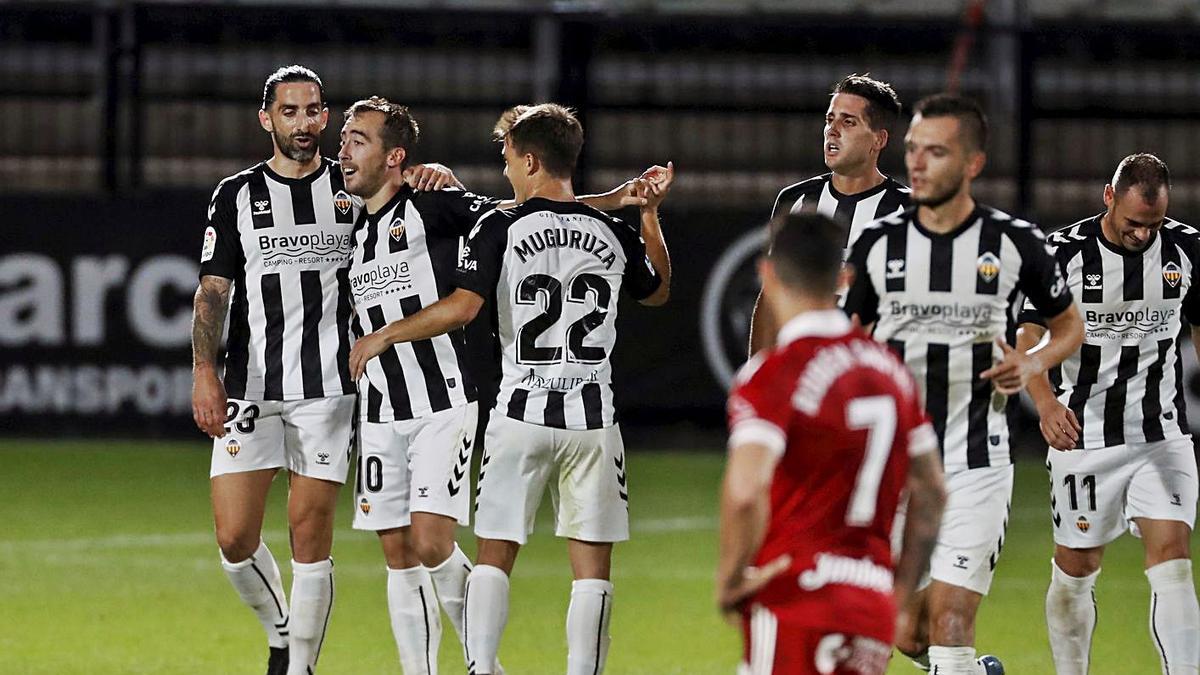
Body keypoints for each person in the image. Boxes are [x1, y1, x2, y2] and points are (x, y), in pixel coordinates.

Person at [338, 96, 662, 673]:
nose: (506, 170)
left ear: (531, 161)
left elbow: (464, 305)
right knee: (591, 574)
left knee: (492, 558)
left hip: (518, 413)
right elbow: (658, 289)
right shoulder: (610, 229)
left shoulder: (499, 222)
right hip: (594, 421)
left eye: (510, 158)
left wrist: (384, 335)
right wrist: (645, 214)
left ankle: (481, 667)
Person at [190, 66, 456, 675]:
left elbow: (414, 202)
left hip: (329, 391)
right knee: (234, 538)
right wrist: (205, 368)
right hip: (251, 386)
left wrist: (432, 175)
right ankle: (283, 631)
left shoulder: (353, 186)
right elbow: (212, 293)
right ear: (267, 118)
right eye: (290, 111)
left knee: (309, 537)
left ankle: (299, 665)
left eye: (314, 111)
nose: (305, 123)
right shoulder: (235, 194)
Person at [842, 93, 1084, 675]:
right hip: (897, 463)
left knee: (952, 623)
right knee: (905, 631)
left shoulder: (1016, 243)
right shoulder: (879, 244)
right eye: (913, 150)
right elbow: (853, 338)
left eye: (936, 152)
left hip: (978, 463)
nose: (918, 164)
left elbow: (1068, 324)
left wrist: (1032, 365)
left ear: (972, 163)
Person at [717, 211, 947, 674]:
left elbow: (745, 491)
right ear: (842, 279)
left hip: (796, 597)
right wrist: (896, 596)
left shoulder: (773, 373)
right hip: (870, 604)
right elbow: (933, 493)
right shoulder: (891, 372)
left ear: (767, 273)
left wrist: (729, 578)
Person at [1017, 154, 1200, 675]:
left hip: (1162, 433)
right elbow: (1027, 336)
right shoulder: (1060, 254)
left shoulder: (1188, 249)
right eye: (1133, 223)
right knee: (1076, 570)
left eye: (1154, 224)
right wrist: (1046, 402)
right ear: (1108, 197)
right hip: (1084, 436)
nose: (1143, 235)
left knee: (1173, 559)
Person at [749, 74, 909, 354]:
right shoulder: (795, 200)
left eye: (848, 122)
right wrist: (759, 371)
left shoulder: (909, 211)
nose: (832, 131)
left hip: (872, 379)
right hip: (803, 375)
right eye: (829, 119)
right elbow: (770, 298)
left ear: (878, 139)